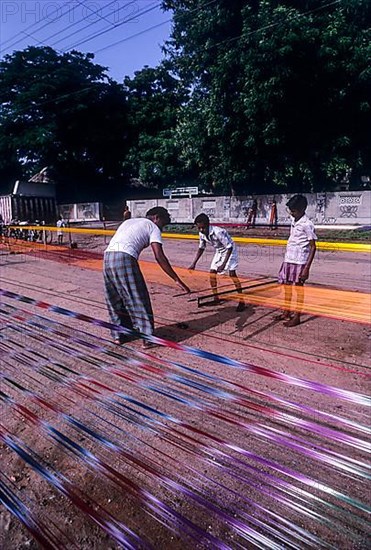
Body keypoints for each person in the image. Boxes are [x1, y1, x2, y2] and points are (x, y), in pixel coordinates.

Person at [103, 206, 190, 346]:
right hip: (125, 257)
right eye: (163, 224)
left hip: (107, 257)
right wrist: (176, 279)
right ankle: (147, 338)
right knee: (138, 297)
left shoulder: (129, 222)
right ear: (156, 218)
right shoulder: (153, 227)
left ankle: (119, 335)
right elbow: (159, 256)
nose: (162, 228)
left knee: (115, 298)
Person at [189, 213, 246, 312]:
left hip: (230, 251)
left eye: (203, 228)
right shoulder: (201, 234)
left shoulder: (218, 232)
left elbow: (229, 247)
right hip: (219, 251)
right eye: (199, 228)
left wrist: (223, 264)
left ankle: (242, 300)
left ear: (208, 225)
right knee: (212, 273)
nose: (201, 230)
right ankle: (216, 297)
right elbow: (201, 248)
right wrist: (194, 263)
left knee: (232, 274)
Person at [275, 194, 317, 327]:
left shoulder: (307, 224)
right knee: (287, 287)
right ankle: (286, 311)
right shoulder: (294, 220)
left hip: (300, 262)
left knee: (298, 289)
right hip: (289, 259)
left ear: (302, 210)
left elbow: (313, 247)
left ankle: (297, 316)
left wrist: (306, 268)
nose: (291, 213)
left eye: (293, 211)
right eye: (290, 211)